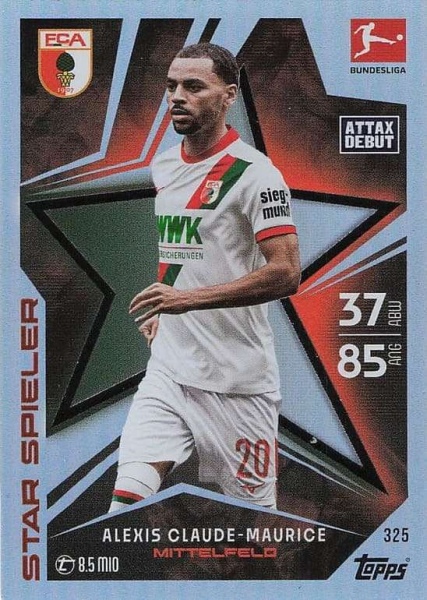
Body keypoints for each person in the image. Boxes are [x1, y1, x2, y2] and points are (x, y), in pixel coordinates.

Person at [109, 43, 300, 512]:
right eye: (172, 86)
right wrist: (166, 312)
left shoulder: (258, 175)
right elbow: (184, 249)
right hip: (170, 369)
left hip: (238, 382)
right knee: (127, 498)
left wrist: (186, 301)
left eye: (194, 86)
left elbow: (286, 273)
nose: (177, 96)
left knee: (254, 525)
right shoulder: (164, 165)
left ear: (228, 95)